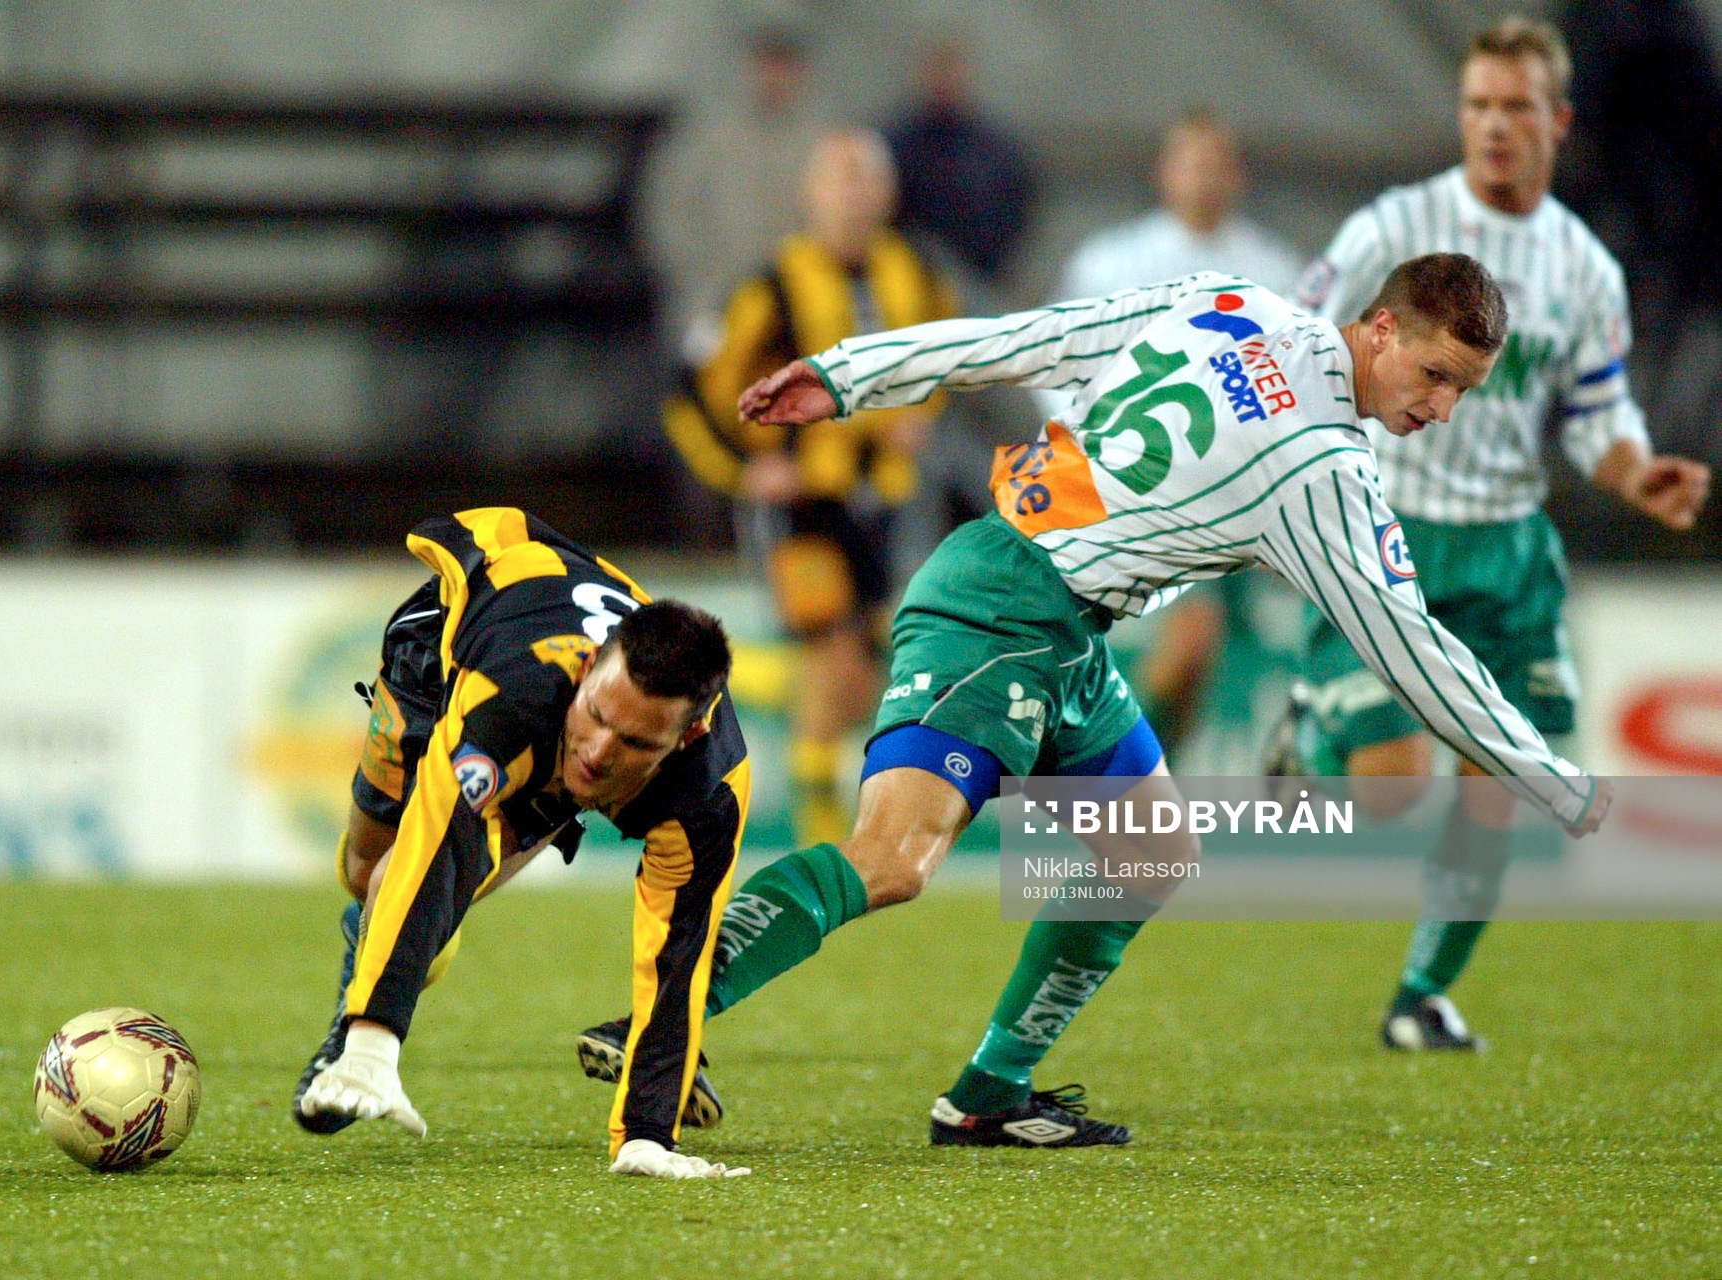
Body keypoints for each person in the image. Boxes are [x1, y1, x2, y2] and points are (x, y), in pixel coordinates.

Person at [582, 255, 1614, 1148]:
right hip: (1006, 610)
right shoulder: (1320, 468)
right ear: (1380, 326)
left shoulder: (1229, 304)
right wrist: (1554, 779)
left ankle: (987, 1094)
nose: (1439, 408)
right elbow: (1411, 647)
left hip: (1046, 609)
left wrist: (845, 376)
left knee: (1151, 850)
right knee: (895, 856)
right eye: (1433, 374)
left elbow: (1023, 339)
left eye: (1463, 391)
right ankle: (658, 1019)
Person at [1274, 16, 1710, 1052]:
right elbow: (1301, 331)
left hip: (1510, 545)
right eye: (1476, 105)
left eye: (1514, 107)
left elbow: (1595, 413)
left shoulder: (1586, 270)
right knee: (1385, 795)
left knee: (1500, 783)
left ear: (1556, 121)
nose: (1493, 126)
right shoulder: (1396, 224)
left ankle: (1421, 990)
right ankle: (1310, 718)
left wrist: (1632, 468)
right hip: (1389, 535)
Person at [291, 507, 752, 1180]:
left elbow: (678, 954)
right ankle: (365, 1003)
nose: (598, 751)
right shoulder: (511, 694)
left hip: (539, 740)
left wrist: (648, 1134)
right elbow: (440, 830)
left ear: (684, 739)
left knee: (409, 879)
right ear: (590, 667)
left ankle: (350, 1020)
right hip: (445, 649)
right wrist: (377, 1040)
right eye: (597, 715)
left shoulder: (709, 793)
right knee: (372, 872)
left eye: (634, 742)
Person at [662, 128, 957, 847]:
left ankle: (745, 690)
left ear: (888, 193)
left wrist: (920, 414)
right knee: (832, 652)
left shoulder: (914, 271)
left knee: (870, 668)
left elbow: (953, 356)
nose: (853, 196)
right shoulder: (769, 285)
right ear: (809, 194)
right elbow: (690, 390)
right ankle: (821, 829)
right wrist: (745, 469)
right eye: (839, 180)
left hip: (887, 500)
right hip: (800, 506)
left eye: (865, 180)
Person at [1042, 108, 1309, 760]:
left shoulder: (1275, 270)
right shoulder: (1114, 260)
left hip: (1238, 499)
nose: (1204, 177)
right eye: (1191, 161)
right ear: (1165, 172)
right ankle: (1111, 784)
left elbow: (1310, 389)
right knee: (1192, 635)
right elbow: (1053, 361)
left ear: (1238, 175)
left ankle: (1131, 792)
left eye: (1217, 162)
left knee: (1208, 656)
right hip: (1136, 491)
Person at [642, 26, 830, 349]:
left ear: (801, 72)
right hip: (714, 302)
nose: (775, 76)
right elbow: (666, 210)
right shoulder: (704, 138)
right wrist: (696, 272)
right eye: (766, 63)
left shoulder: (822, 142)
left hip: (798, 307)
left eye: (784, 65)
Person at [881, 35, 1038, 283]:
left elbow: (1020, 199)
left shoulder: (994, 145)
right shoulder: (897, 143)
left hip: (981, 275)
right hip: (908, 278)